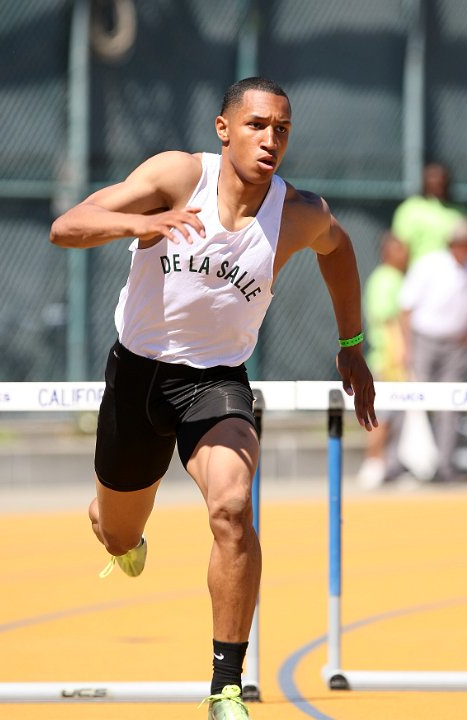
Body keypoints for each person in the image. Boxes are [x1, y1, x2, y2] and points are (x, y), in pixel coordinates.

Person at [50, 76, 377, 719]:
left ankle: (226, 686)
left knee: (232, 505)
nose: (270, 140)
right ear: (224, 128)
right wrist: (145, 221)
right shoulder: (177, 176)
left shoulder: (298, 212)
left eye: (282, 129)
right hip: (137, 376)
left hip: (217, 380)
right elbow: (68, 225)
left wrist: (352, 343)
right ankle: (115, 531)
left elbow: (338, 251)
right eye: (257, 125)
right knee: (118, 535)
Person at [399, 218, 467, 483]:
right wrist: (406, 346)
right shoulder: (430, 265)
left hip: (455, 346)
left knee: (451, 402)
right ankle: (405, 463)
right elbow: (406, 307)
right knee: (412, 400)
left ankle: (445, 465)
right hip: (423, 341)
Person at [357, 232, 409, 489]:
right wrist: (396, 355)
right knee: (383, 417)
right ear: (388, 252)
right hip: (386, 359)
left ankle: (387, 466)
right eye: (400, 249)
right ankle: (373, 464)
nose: (405, 254)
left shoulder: (395, 278)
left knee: (394, 416)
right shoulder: (386, 280)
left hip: (392, 361)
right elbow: (387, 320)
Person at [392, 162, 464, 266]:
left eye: (441, 179)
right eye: (432, 178)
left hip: (452, 273)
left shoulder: (458, 212)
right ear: (424, 181)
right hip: (418, 272)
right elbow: (399, 247)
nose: (437, 182)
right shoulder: (410, 208)